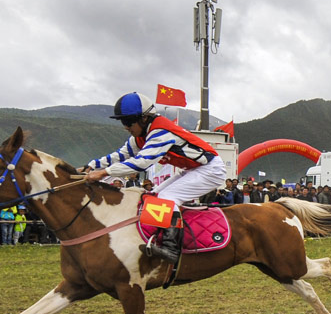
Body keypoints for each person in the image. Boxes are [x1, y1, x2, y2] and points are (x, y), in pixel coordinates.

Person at [85, 92, 227, 263]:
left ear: (144, 118)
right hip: (195, 168)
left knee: (166, 199)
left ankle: (171, 248)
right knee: (153, 197)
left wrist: (103, 173)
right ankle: (157, 239)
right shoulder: (139, 137)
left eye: (128, 121)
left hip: (211, 168)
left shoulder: (161, 131)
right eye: (122, 122)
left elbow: (141, 163)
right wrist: (92, 165)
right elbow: (120, 155)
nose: (125, 127)